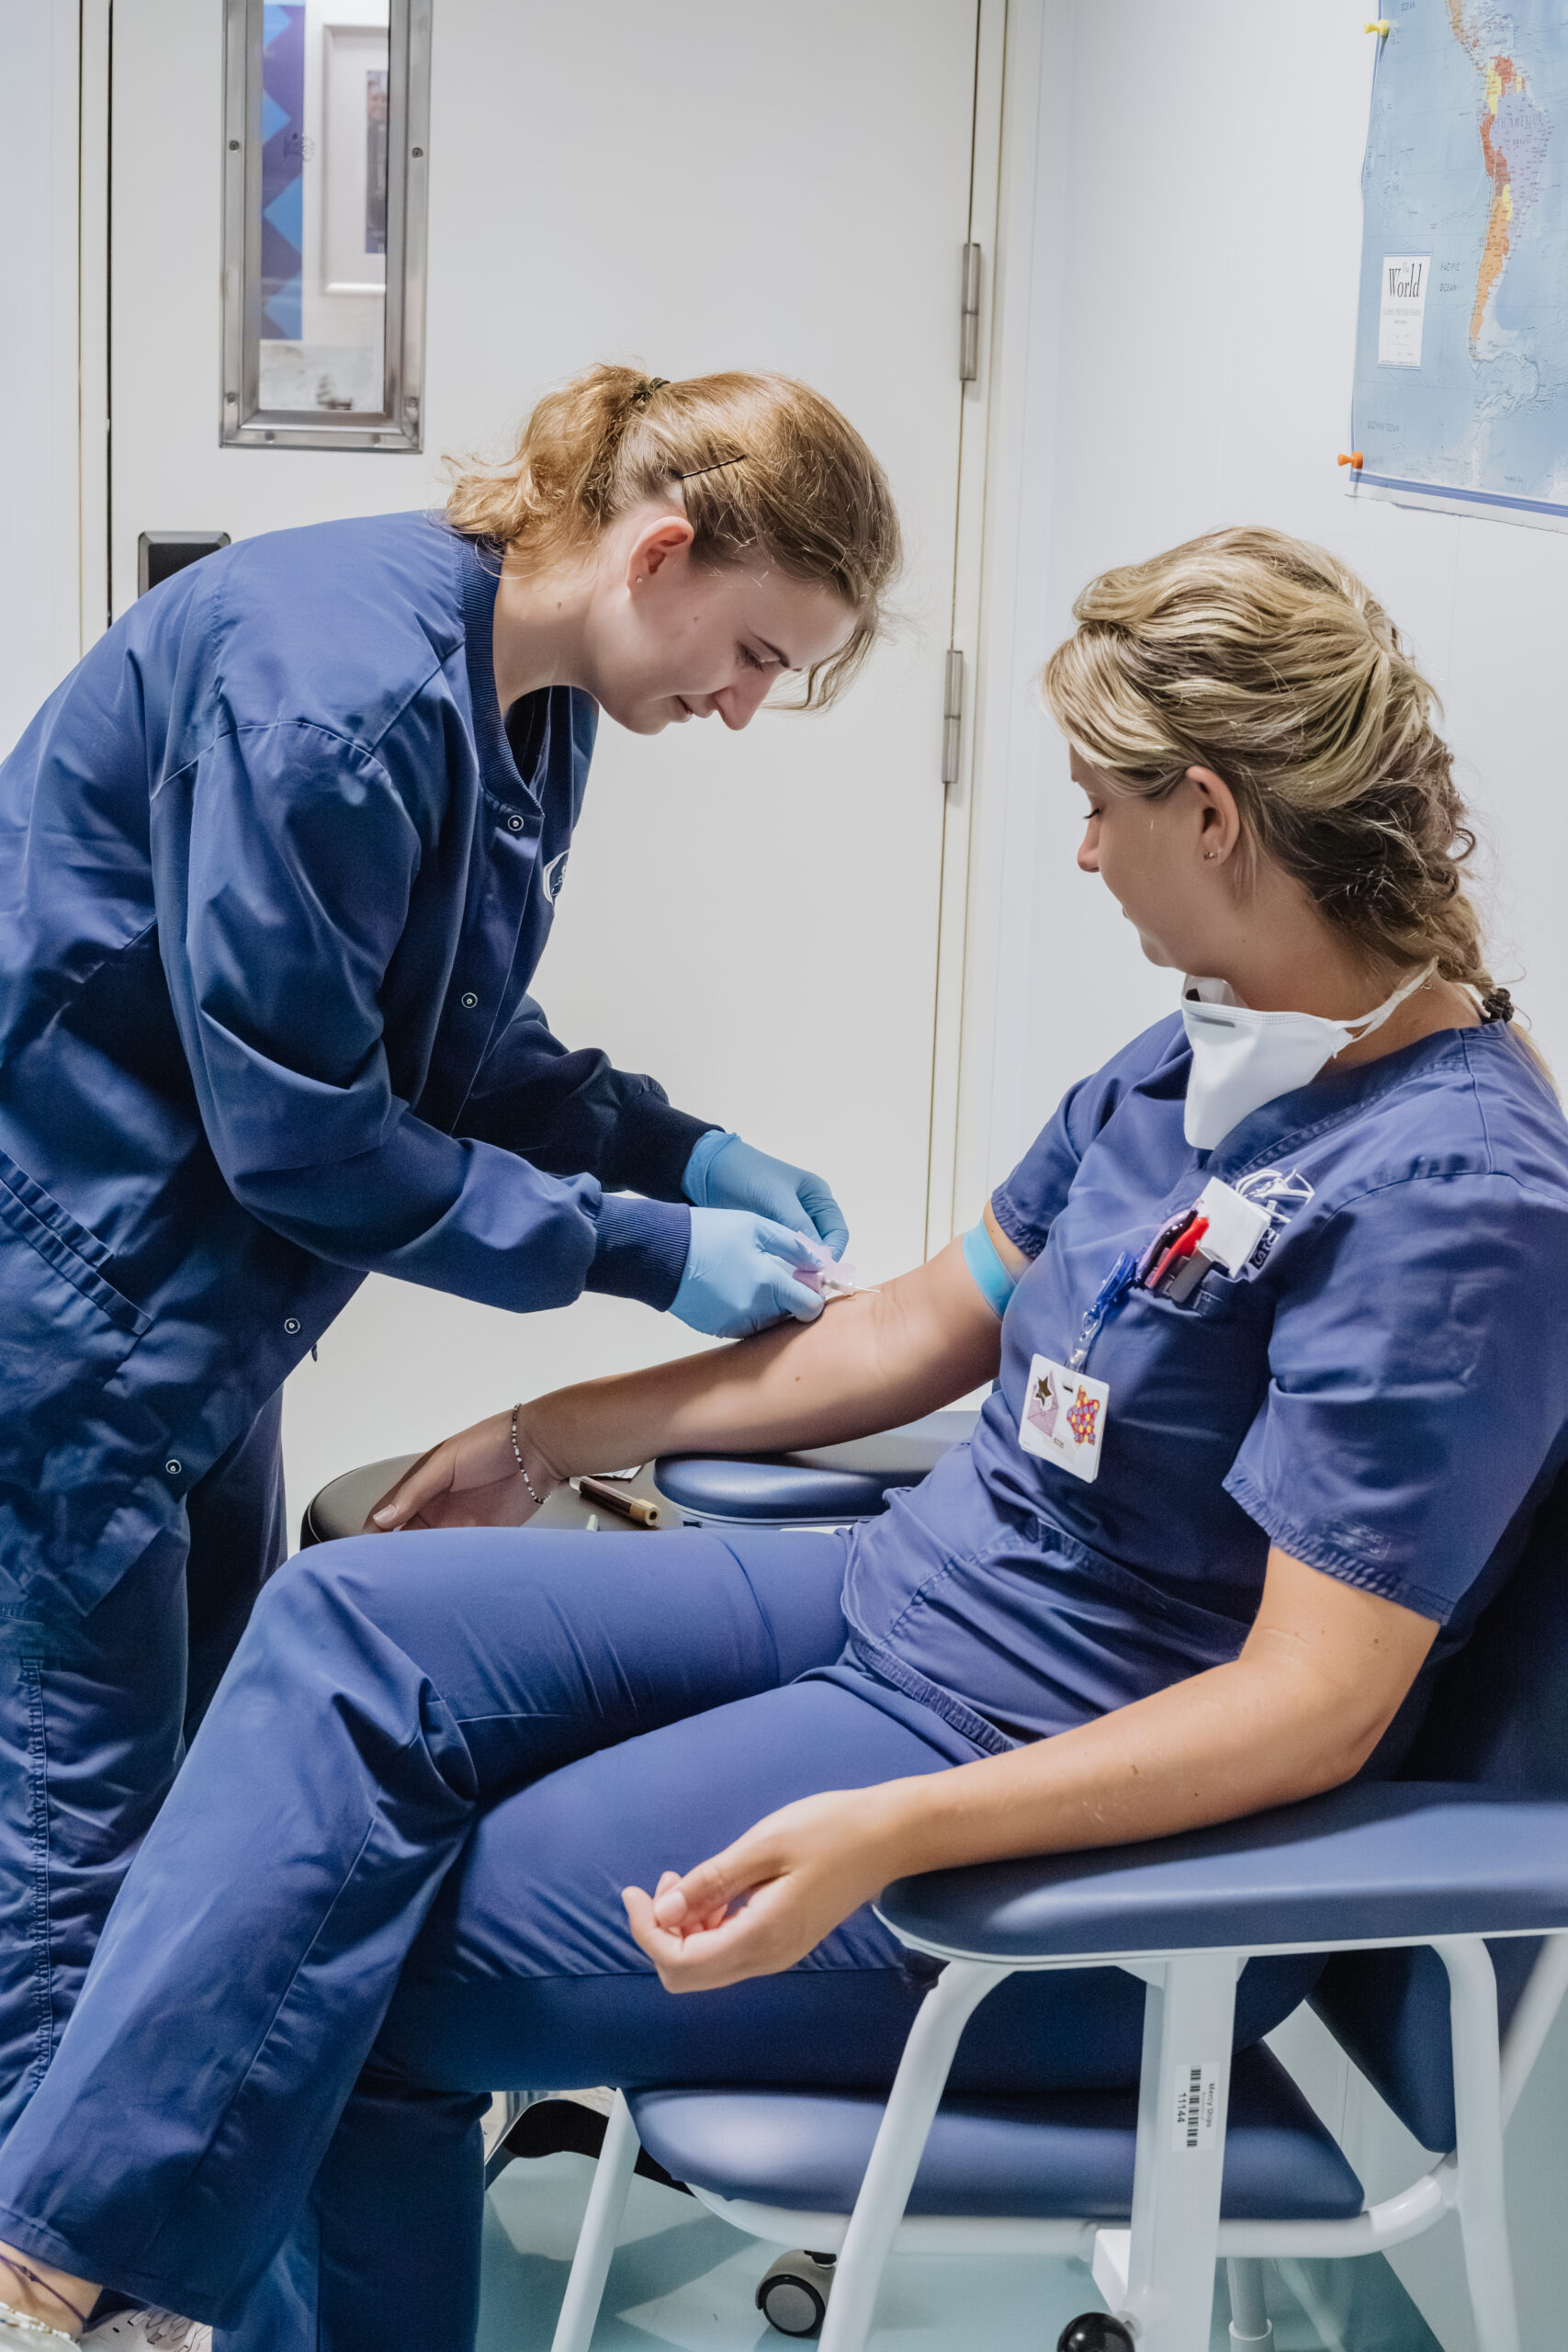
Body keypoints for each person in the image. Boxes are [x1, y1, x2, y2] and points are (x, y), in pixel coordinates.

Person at [1, 526, 1565, 2352]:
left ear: (1208, 811)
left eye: (1093, 802)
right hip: (907, 1602)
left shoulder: (1455, 1198)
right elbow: (913, 1326)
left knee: (354, 1960)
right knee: (349, 1616)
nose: (1075, 848)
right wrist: (547, 1422)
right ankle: (66, 2253)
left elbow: (1313, 1702)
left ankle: (66, 2270)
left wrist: (894, 1826)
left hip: (1051, 1806)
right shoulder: (1194, 1059)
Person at [0, 365, 900, 2144]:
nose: (736, 708)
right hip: (74, 1294)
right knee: (82, 1815)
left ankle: (144, 2239)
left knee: (196, 1787)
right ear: (659, 550)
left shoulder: (529, 691)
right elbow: (307, 1131)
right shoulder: (333, 693)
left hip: (186, 1313)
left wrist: (671, 1142)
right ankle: (52, 2261)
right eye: (753, 657)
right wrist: (644, 1246)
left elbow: (453, 1035)